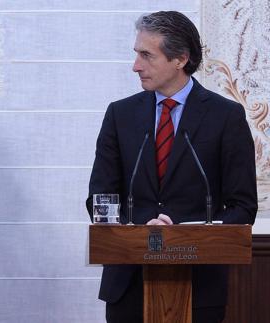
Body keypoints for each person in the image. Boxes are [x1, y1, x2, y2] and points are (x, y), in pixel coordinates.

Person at [86, 11, 257, 323]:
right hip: (128, 284)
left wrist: (186, 234)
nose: (136, 65)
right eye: (137, 54)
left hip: (199, 286)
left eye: (147, 56)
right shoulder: (120, 115)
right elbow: (100, 196)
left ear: (180, 58)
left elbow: (242, 207)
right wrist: (139, 231)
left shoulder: (225, 117)